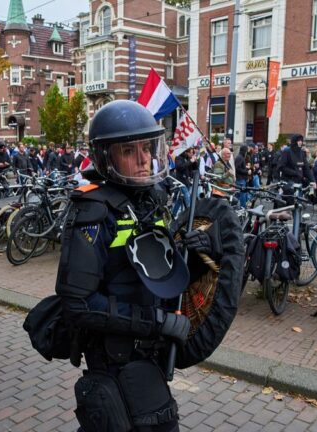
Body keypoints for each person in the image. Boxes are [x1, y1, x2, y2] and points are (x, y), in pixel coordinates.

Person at [54, 100, 230, 432]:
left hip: (151, 354)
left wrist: (197, 257)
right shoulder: (92, 212)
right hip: (117, 360)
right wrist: (157, 322)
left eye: (147, 148)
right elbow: (78, 304)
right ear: (106, 157)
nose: (143, 159)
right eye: (128, 150)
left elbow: (159, 276)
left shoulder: (151, 200)